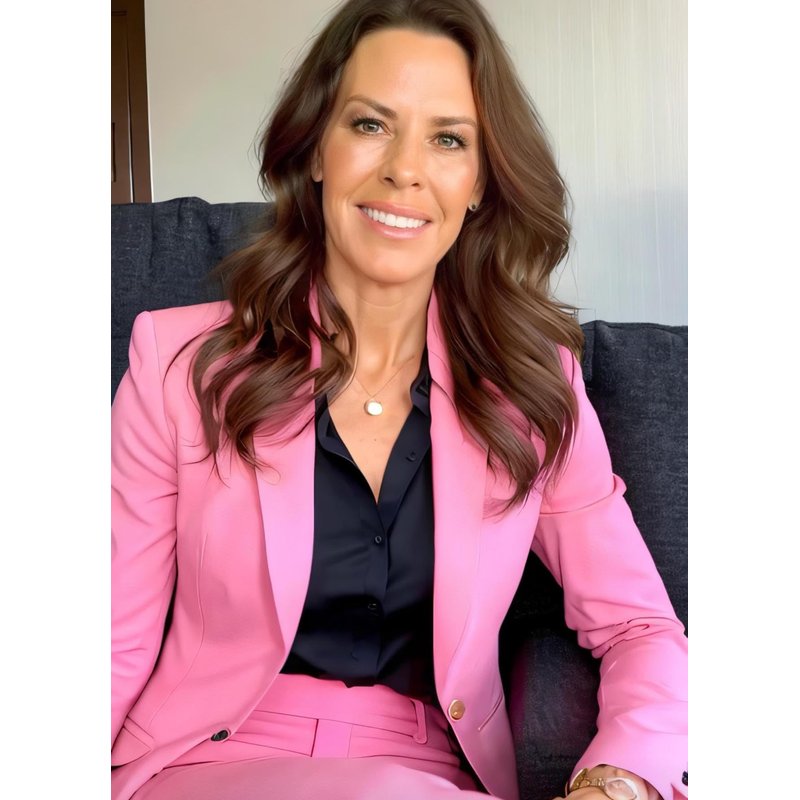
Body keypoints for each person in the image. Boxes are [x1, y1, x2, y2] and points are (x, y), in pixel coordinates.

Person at [111, 1, 687, 799]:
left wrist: (619, 781)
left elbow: (639, 625)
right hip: (204, 763)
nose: (404, 170)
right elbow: (110, 638)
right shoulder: (180, 363)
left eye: (448, 139)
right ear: (316, 148)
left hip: (432, 773)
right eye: (370, 125)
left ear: (480, 182)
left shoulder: (534, 388)